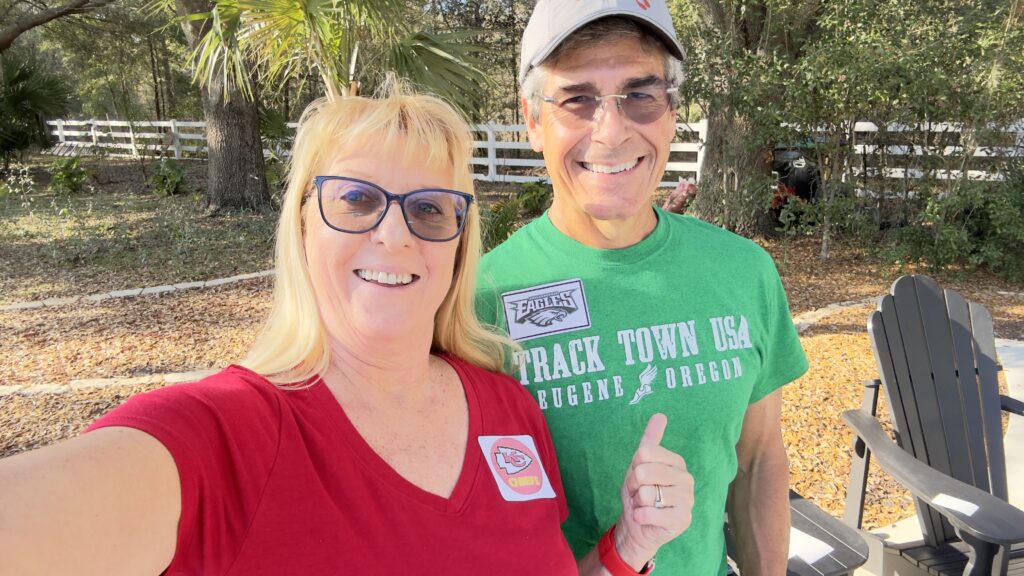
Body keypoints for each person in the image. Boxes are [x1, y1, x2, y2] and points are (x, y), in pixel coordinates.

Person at [0, 84, 590, 575]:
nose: (395, 234)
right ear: (303, 225)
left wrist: (626, 552)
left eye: (430, 208)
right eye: (357, 199)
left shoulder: (509, 408)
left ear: (460, 244)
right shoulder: (226, 435)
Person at [475, 2, 810, 575]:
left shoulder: (742, 271)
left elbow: (757, 459)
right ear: (533, 121)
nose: (611, 130)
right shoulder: (481, 302)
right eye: (577, 98)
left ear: (671, 112)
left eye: (640, 95)